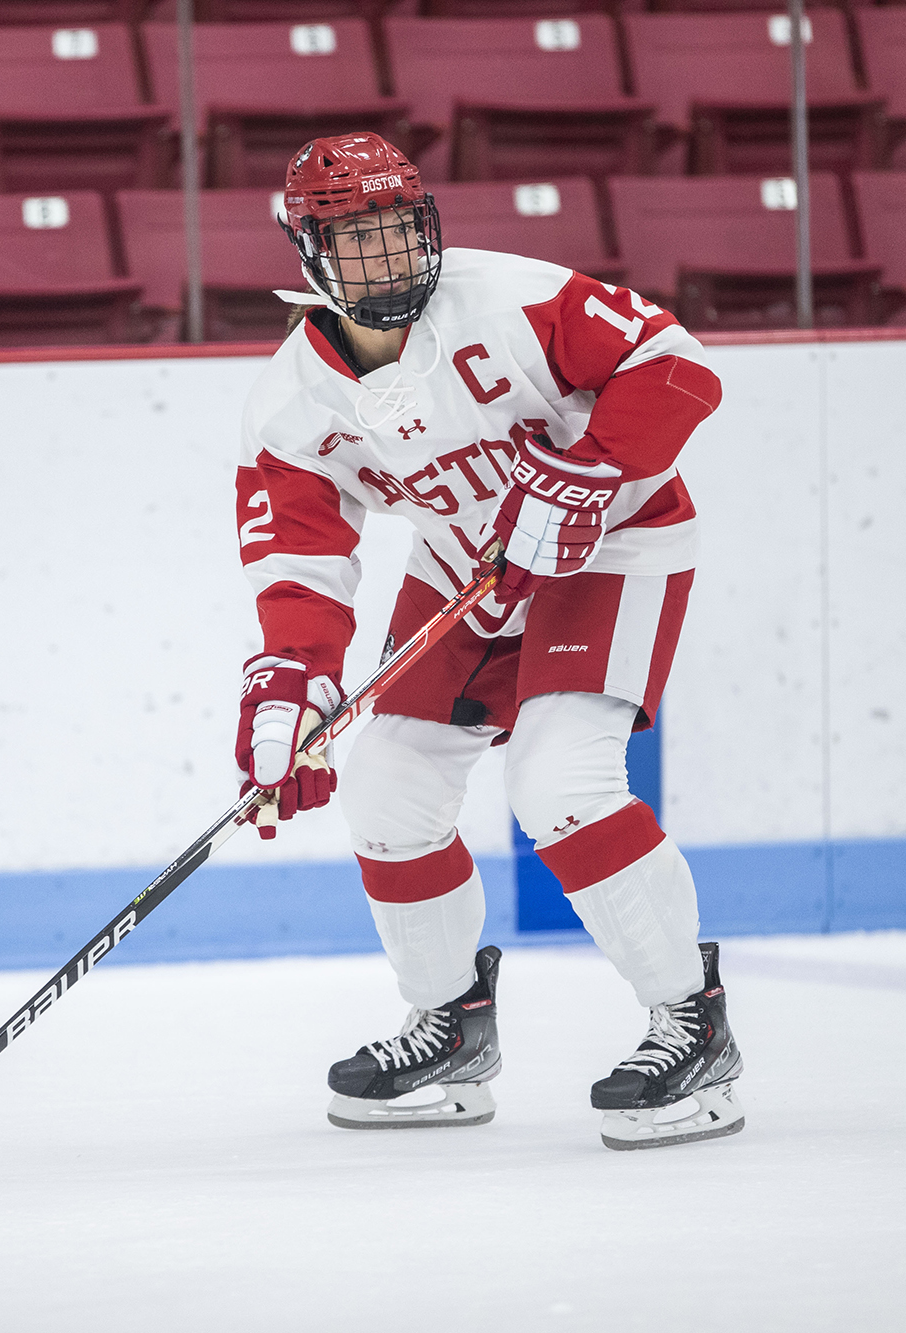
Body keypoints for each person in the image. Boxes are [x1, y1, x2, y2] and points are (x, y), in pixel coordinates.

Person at [232, 132, 742, 1150]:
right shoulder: (292, 402)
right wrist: (290, 679)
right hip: (468, 564)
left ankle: (691, 1024)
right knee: (385, 783)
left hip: (617, 540)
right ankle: (449, 1029)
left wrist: (589, 472)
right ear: (304, 253)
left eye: (397, 232)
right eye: (354, 241)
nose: (387, 260)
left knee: (557, 780)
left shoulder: (511, 296)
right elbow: (296, 553)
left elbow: (676, 367)